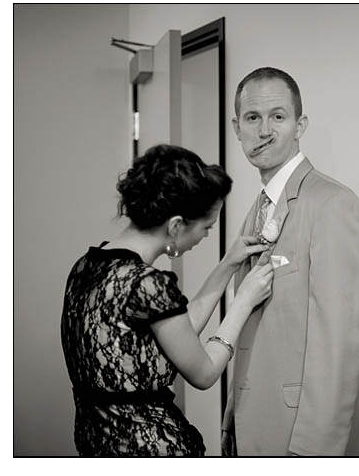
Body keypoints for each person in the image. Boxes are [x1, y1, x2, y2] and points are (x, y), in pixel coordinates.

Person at [61, 144, 274, 456]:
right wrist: (244, 301)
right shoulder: (148, 283)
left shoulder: (85, 267)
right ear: (175, 225)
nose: (205, 236)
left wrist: (228, 264)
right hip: (150, 449)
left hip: (96, 444)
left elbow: (177, 331)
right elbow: (203, 373)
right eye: (207, 227)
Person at [220, 67, 359, 456]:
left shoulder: (332, 204)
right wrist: (232, 417)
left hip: (302, 436)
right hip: (253, 421)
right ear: (236, 127)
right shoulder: (256, 210)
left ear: (299, 125)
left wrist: (313, 451)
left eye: (278, 116)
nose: (264, 130)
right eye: (253, 118)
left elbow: (340, 344)